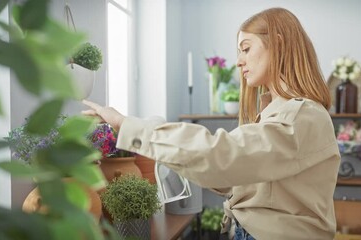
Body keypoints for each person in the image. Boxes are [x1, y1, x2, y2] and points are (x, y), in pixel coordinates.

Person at [83, 7, 340, 240]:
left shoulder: (300, 117)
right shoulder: (278, 114)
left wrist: (126, 125)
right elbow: (234, 175)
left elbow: (222, 156)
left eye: (246, 48)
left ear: (279, 45)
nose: (239, 61)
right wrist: (179, 159)